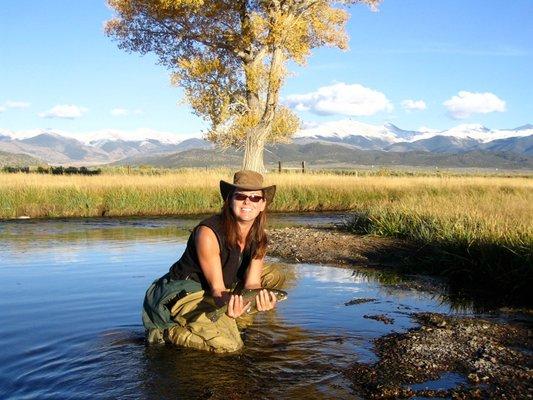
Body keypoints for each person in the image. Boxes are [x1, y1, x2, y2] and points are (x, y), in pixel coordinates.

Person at [142, 170, 285, 353]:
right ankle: (169, 332)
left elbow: (253, 283)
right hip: (188, 292)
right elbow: (218, 290)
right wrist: (227, 306)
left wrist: (259, 301)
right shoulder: (208, 233)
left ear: (263, 204)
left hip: (221, 290)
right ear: (229, 200)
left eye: (255, 198)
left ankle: (237, 320)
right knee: (229, 346)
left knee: (273, 275)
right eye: (240, 196)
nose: (247, 202)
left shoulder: (259, 237)